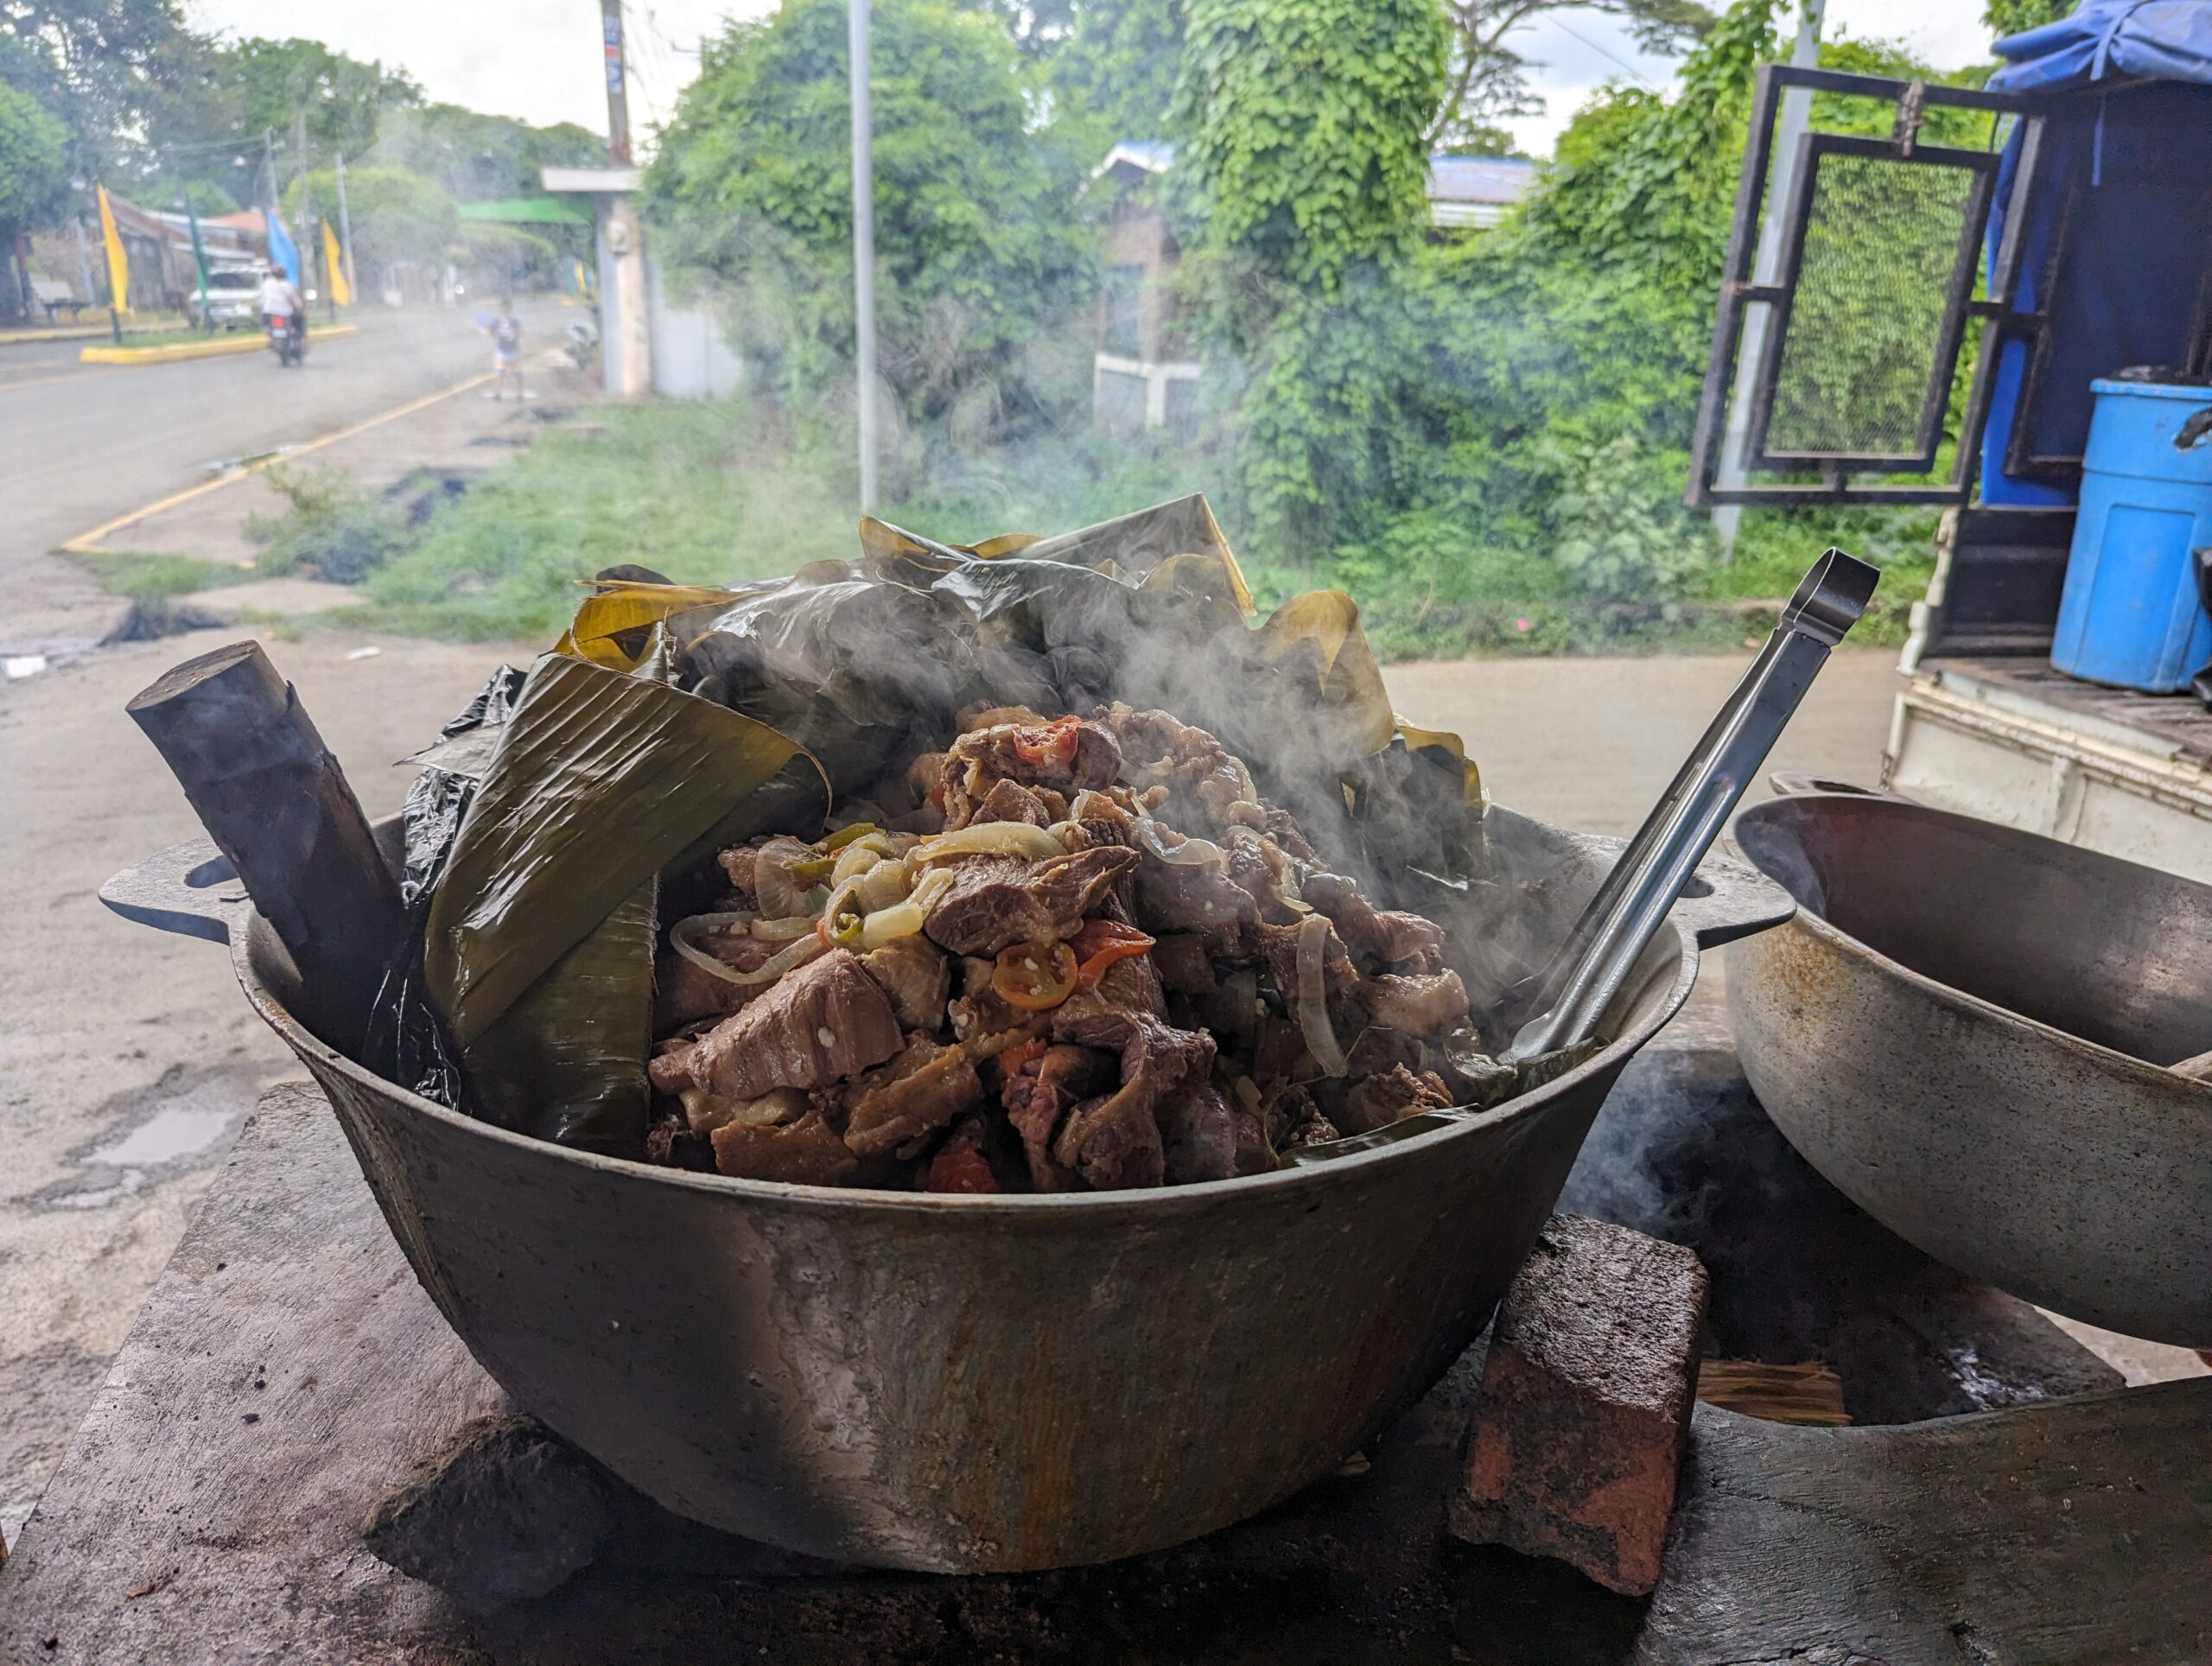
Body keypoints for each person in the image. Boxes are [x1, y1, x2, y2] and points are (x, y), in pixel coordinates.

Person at [486, 298, 526, 400]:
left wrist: (515, 334)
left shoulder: (514, 321)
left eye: (506, 308)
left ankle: (520, 394)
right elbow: (491, 331)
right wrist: (492, 331)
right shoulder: (497, 320)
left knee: (517, 374)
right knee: (499, 372)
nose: (504, 310)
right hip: (502, 351)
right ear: (500, 309)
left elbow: (521, 333)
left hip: (513, 351)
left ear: (510, 309)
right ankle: (497, 394)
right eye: (502, 308)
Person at [257, 264, 303, 348]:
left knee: (265, 324)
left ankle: (270, 334)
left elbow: (261, 299)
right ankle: (297, 337)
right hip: (285, 313)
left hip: (269, 312)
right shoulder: (288, 285)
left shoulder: (266, 284)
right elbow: (296, 301)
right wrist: (299, 307)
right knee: (299, 321)